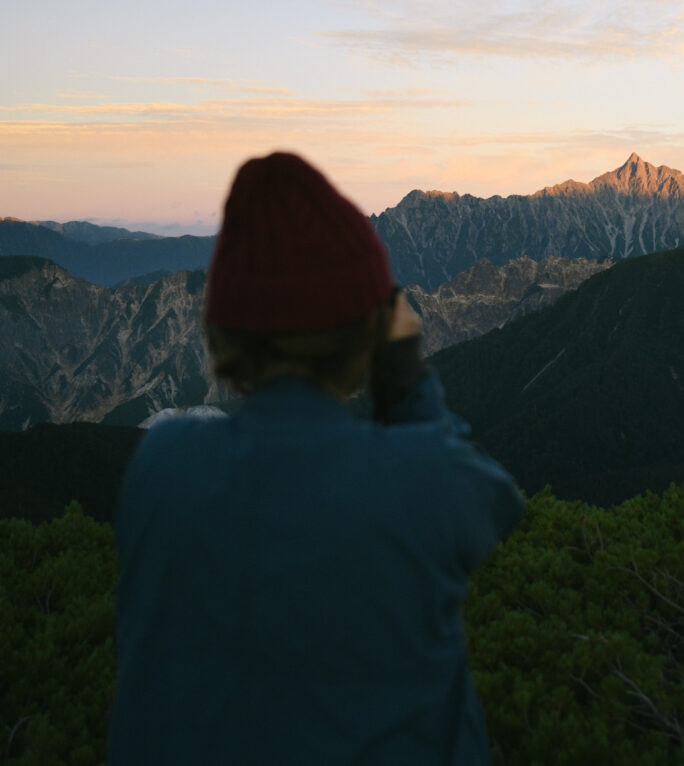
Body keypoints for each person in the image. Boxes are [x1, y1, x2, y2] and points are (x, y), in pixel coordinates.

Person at [109, 152, 524, 765]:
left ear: (223, 334)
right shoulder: (420, 479)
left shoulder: (161, 466)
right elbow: (497, 501)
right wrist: (406, 381)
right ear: (366, 334)